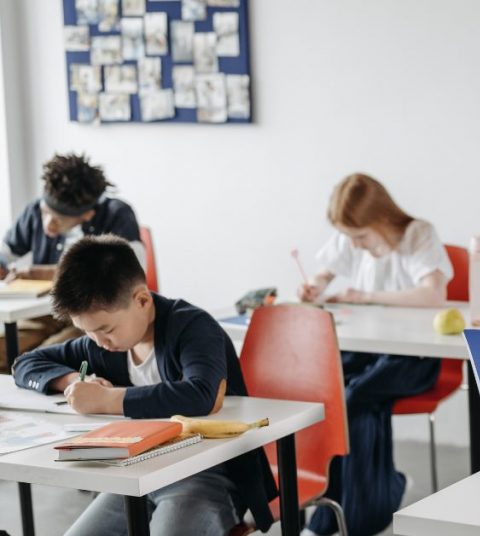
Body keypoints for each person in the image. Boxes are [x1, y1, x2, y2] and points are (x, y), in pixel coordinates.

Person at [11, 235, 276, 534]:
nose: (98, 342)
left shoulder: (193, 327)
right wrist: (73, 381)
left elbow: (201, 393)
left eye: (105, 329)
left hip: (207, 474)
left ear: (142, 300)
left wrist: (108, 400)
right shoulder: (101, 344)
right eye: (88, 332)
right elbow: (25, 364)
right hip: (137, 475)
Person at [299, 173, 452, 536]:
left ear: (382, 217)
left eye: (361, 236)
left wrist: (365, 296)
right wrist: (314, 286)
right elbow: (323, 274)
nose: (357, 245)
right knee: (329, 393)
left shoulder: (418, 234)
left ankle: (354, 519)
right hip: (368, 352)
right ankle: (350, 506)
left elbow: (433, 295)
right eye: (350, 238)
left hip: (415, 359)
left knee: (356, 397)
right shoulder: (352, 237)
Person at [0, 153, 144, 371]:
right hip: (46, 311)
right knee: (5, 348)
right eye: (45, 213)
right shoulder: (34, 211)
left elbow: (130, 272)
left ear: (86, 215)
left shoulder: (117, 214)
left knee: (40, 357)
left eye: (58, 219)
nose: (48, 224)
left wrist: (42, 273)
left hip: (94, 315)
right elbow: (7, 252)